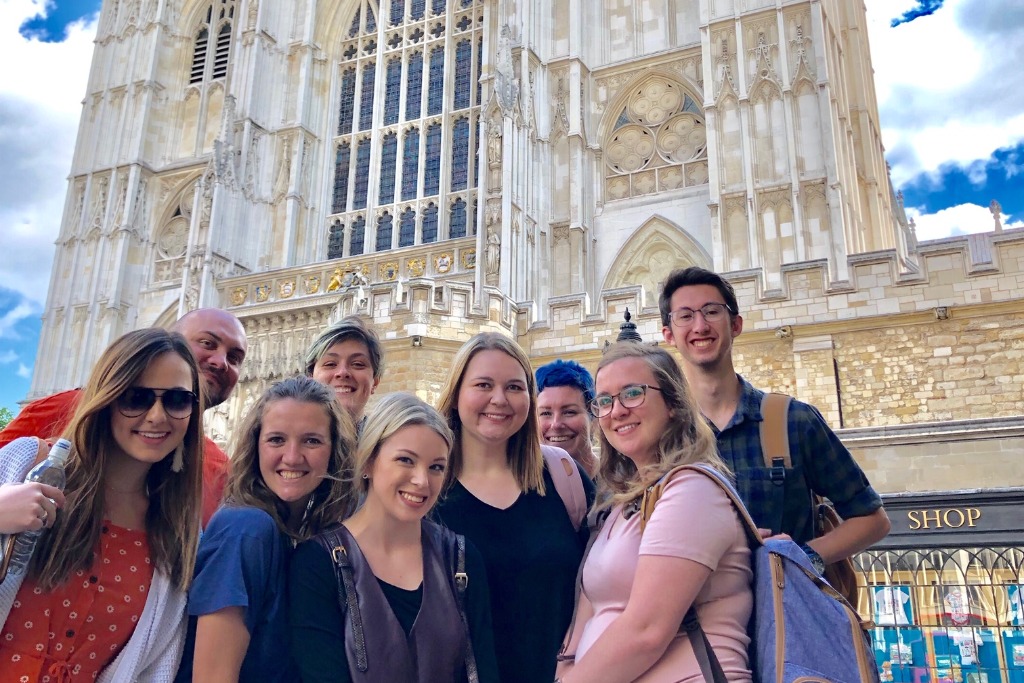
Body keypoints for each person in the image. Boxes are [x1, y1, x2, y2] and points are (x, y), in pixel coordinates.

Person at [0, 328, 205, 681]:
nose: (157, 416)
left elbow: (155, 668)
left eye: (177, 400)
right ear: (107, 398)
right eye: (136, 398)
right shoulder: (27, 465)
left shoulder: (179, 531)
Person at [659, 266, 890, 570]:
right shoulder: (663, 433)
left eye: (712, 312)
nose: (700, 325)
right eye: (686, 316)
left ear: (736, 324)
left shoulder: (793, 421)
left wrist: (799, 558)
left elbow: (871, 520)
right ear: (668, 334)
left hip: (784, 612)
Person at [559, 342, 753, 682]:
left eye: (632, 393)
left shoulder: (692, 491)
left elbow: (647, 632)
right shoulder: (623, 502)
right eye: (604, 401)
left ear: (674, 405)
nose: (616, 410)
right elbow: (592, 610)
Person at [289, 393, 499, 682]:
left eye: (436, 466)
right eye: (405, 460)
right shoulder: (318, 564)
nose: (422, 481)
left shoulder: (460, 559)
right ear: (368, 463)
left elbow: (484, 670)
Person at [433, 332, 595, 683]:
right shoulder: (427, 491)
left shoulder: (562, 476)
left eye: (514, 387)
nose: (499, 399)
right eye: (483, 384)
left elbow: (604, 585)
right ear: (457, 393)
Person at [175, 376, 357, 682]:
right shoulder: (246, 530)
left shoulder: (303, 537)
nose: (292, 457)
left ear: (334, 451)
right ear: (255, 445)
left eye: (311, 440)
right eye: (276, 439)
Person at [0, 308, 248, 527]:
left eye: (235, 357)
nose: (220, 362)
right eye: (207, 343)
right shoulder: (68, 409)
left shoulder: (220, 469)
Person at [305, 315, 384, 428]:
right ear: (310, 377)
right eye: (330, 364)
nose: (342, 373)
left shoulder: (391, 443)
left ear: (375, 382)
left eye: (357, 364)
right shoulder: (285, 441)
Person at [536, 359, 598, 477]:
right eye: (545, 413)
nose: (556, 424)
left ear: (593, 417)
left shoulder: (622, 485)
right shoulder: (523, 487)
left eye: (569, 412)